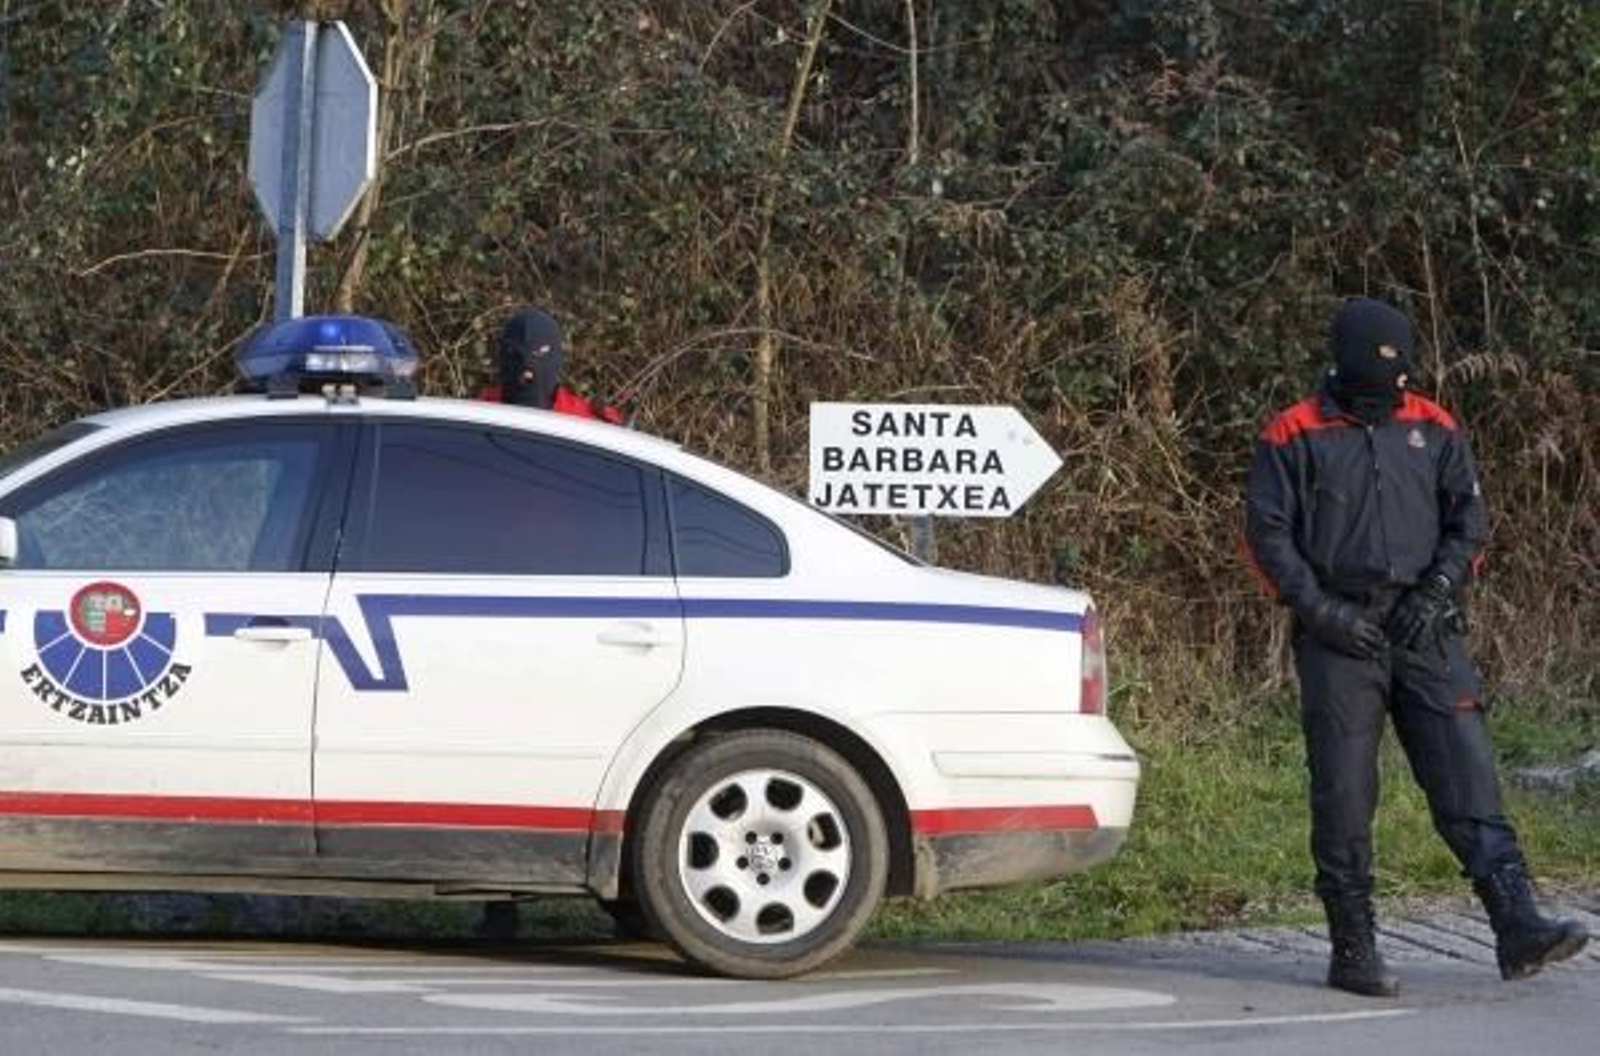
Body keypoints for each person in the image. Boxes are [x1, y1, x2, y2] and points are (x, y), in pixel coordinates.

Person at [1244, 297, 1588, 997]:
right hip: (1339, 635)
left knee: (1467, 774)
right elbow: (1266, 538)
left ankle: (1516, 922)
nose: (1392, 392)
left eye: (1399, 377)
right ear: (1344, 366)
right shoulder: (1292, 433)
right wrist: (1323, 612)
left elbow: (1470, 523)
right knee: (1344, 792)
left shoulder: (1435, 427)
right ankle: (1353, 947)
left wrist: (1437, 590)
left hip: (1427, 627)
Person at [482, 307, 624, 424]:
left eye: (538, 356)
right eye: (515, 358)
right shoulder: (479, 417)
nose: (526, 375)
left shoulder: (588, 428)